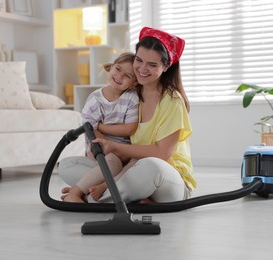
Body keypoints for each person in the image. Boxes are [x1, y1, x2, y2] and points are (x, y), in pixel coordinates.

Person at [59, 27, 196, 204]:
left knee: (150, 166)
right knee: (66, 165)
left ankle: (89, 196)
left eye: (152, 65)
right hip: (130, 169)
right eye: (139, 60)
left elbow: (162, 153)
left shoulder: (172, 101)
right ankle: (126, 195)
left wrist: (115, 148)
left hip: (167, 178)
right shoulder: (130, 93)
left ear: (166, 67)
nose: (142, 69)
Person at [60, 52, 140, 203]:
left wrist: (102, 126)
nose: (120, 76)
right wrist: (107, 147)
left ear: (133, 83)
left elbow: (129, 128)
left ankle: (100, 187)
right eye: (118, 69)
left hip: (125, 151)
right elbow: (91, 129)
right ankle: (76, 192)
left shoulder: (131, 98)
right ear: (110, 68)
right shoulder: (95, 98)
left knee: (138, 162)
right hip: (100, 149)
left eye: (128, 76)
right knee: (111, 162)